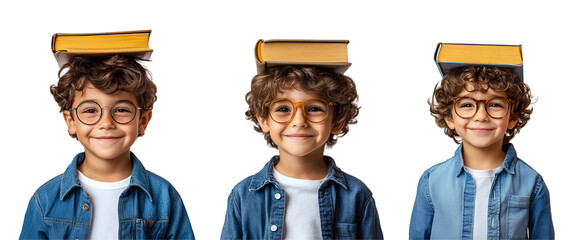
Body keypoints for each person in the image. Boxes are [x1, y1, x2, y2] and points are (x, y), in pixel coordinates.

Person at [20, 55, 194, 239]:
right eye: (90, 110)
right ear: (70, 121)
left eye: (121, 110)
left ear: (143, 120)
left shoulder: (164, 198)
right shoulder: (45, 200)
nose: (106, 123)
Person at [221, 66, 383, 240]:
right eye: (283, 109)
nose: (299, 121)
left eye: (314, 109)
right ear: (263, 120)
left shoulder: (357, 195)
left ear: (337, 121)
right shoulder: (243, 195)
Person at [409, 66, 554, 239]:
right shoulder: (431, 181)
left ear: (513, 117)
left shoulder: (532, 183)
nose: (481, 116)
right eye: (467, 105)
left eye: (495, 105)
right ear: (449, 117)